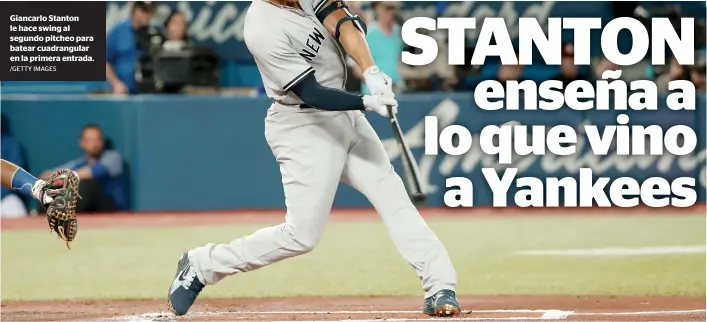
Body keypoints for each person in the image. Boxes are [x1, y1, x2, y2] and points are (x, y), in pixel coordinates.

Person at [167, 0, 461, 318]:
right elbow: (311, 92)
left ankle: (440, 285)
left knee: (393, 196)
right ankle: (202, 264)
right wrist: (366, 101)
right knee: (301, 236)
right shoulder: (261, 27)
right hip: (302, 125)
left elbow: (344, 23)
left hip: (345, 114)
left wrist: (371, 71)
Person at [42, 125, 125, 213]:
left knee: (85, 185)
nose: (94, 144)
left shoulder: (113, 158)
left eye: (98, 139)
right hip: (87, 209)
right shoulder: (79, 163)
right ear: (82, 143)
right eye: (90, 140)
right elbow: (46, 175)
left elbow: (91, 173)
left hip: (111, 209)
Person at [106, 1, 156, 95]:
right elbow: (106, 61)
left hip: (148, 94)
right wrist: (116, 83)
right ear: (135, 10)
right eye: (144, 10)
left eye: (150, 11)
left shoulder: (155, 32)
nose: (147, 15)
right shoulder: (119, 31)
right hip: (123, 93)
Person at [359, 1, 404, 94]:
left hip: (397, 91)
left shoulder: (398, 31)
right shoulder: (368, 34)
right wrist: (378, 82)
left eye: (394, 8)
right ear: (377, 8)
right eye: (388, 8)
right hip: (374, 95)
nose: (392, 12)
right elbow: (357, 69)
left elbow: (397, 61)